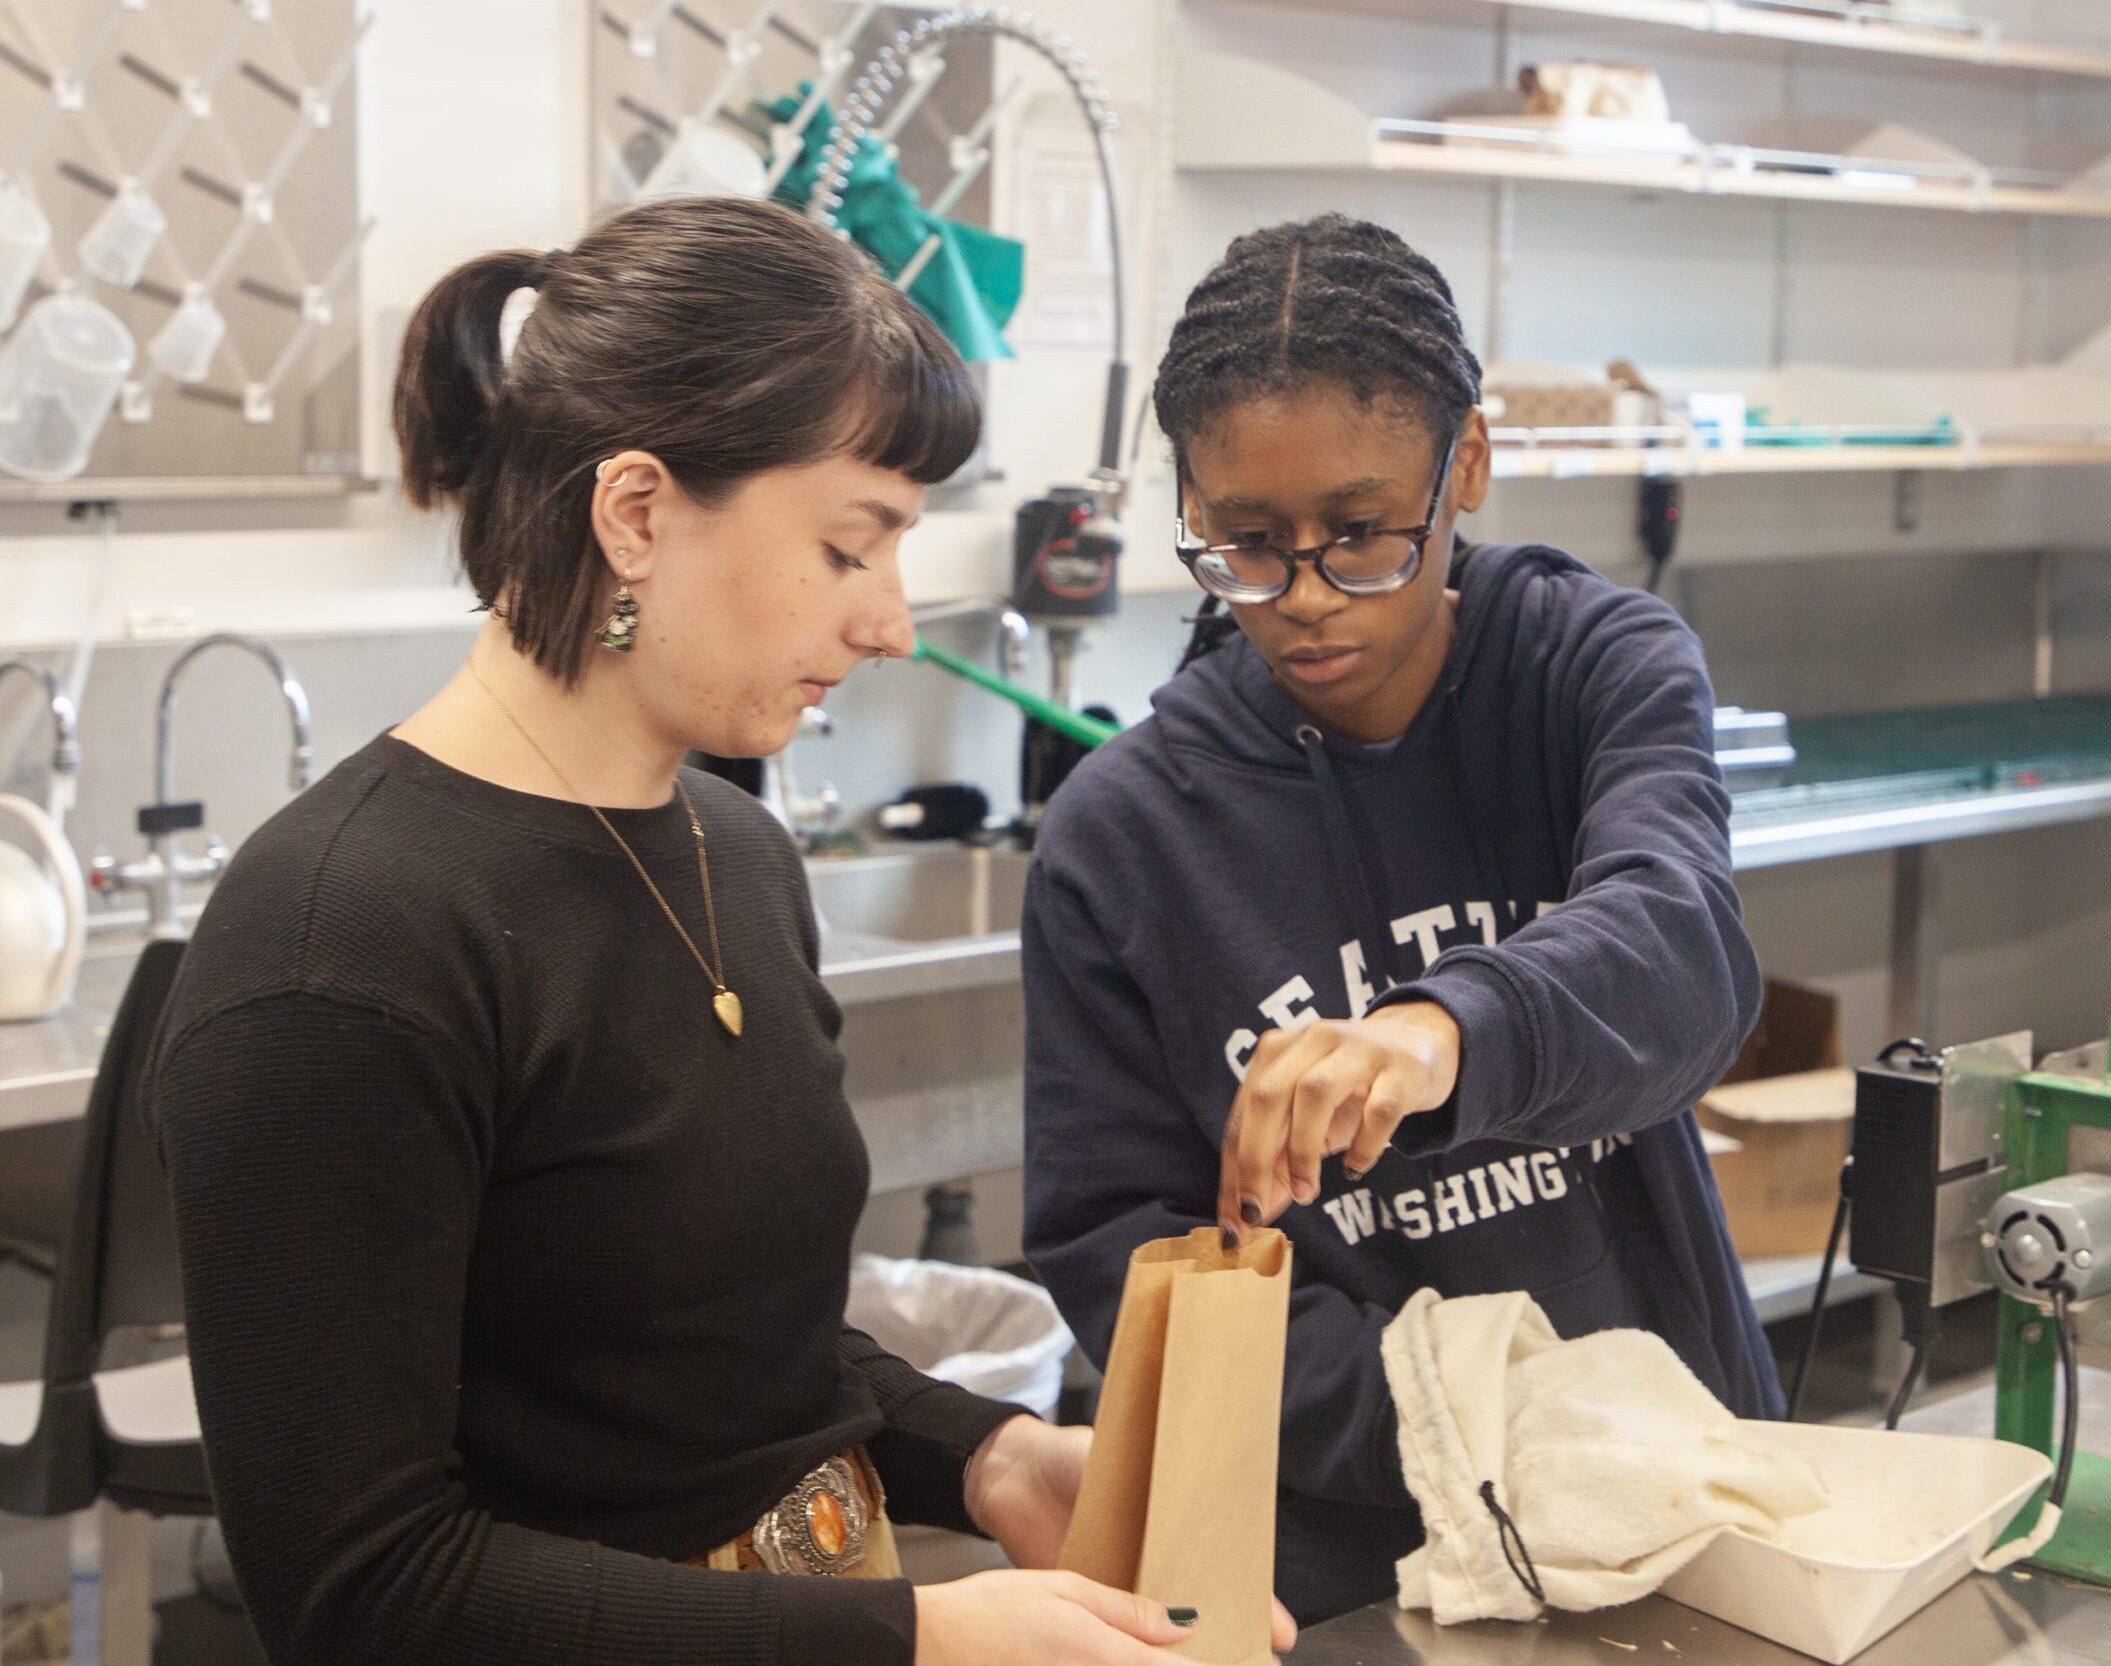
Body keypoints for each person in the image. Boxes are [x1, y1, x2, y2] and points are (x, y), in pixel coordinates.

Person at [150, 197, 1290, 1666]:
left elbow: (717, 1353)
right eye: (849, 546)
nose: (892, 622)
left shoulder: (735, 854)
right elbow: (365, 1590)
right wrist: (923, 1640)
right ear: (634, 513)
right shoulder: (345, 947)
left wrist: (989, 1458)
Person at [1020, 213, 1783, 1625]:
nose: (1306, 598)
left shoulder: (1590, 671)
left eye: (1362, 533)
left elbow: (1682, 945)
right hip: (1361, 1582)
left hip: (1690, 1496)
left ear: (1467, 467)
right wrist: (1454, 1421)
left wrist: (1444, 1033)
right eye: (1245, 544)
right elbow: (1120, 1260)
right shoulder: (1122, 839)